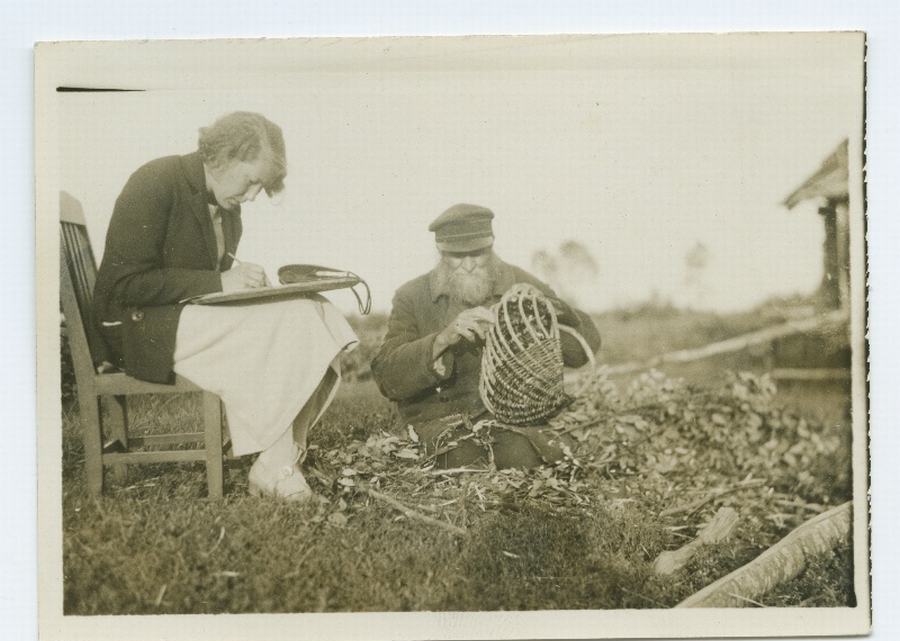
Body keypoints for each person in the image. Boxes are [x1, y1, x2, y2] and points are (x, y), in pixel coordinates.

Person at [92, 111, 359, 501]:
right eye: (252, 181)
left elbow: (196, 282)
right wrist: (218, 281)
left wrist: (244, 285)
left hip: (173, 319)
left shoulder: (228, 208)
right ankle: (276, 467)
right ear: (224, 156)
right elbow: (124, 285)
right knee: (292, 322)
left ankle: (278, 459)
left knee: (315, 311)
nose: (252, 196)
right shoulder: (155, 180)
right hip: (135, 330)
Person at [371, 203, 601, 469]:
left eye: (477, 253)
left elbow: (586, 345)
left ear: (491, 247)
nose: (469, 265)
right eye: (457, 256)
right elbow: (387, 376)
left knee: (562, 452)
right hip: (440, 423)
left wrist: (533, 318)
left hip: (515, 418)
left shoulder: (516, 281)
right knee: (490, 457)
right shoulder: (412, 296)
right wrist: (442, 340)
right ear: (441, 253)